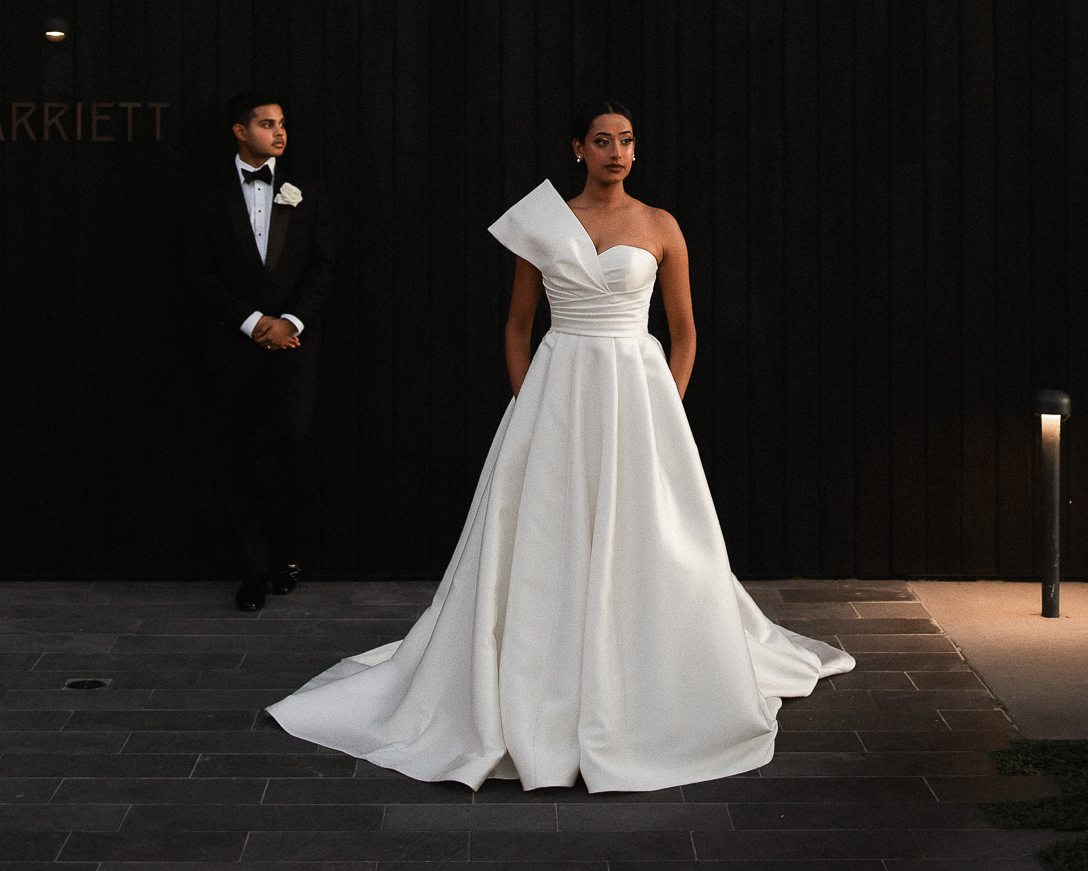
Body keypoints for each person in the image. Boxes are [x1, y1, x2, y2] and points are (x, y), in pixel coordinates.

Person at [266, 101, 854, 791]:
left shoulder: (660, 224)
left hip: (636, 392)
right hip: (558, 385)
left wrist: (665, 405)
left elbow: (685, 331)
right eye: (602, 141)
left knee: (646, 528)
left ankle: (645, 663)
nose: (617, 152)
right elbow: (518, 326)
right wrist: (528, 401)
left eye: (626, 140)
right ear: (578, 149)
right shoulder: (543, 224)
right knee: (547, 527)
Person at [185, 91, 336, 612]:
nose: (279, 132)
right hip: (233, 346)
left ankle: (287, 556)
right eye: (267, 124)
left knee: (292, 444)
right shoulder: (207, 195)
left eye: (282, 123)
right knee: (239, 453)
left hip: (295, 345)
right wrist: (253, 324)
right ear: (239, 131)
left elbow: (323, 266)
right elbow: (198, 273)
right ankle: (251, 569)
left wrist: (290, 322)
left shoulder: (305, 189)